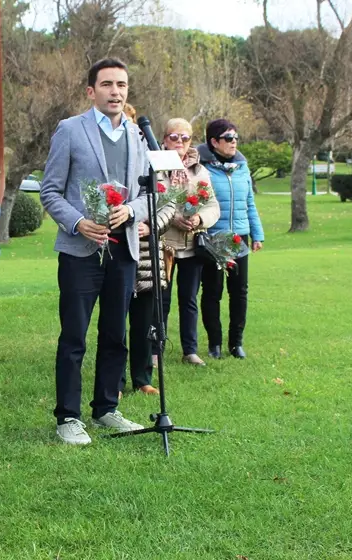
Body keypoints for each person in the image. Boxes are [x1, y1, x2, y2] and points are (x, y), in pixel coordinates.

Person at [39, 58, 150, 445]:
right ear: (91, 91)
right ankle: (67, 418)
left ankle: (106, 409)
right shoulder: (70, 130)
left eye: (121, 85)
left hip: (124, 250)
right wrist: (77, 222)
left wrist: (131, 210)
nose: (115, 91)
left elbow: (147, 196)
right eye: (107, 84)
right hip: (80, 252)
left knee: (116, 334)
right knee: (74, 337)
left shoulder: (138, 136)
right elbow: (49, 191)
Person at [197, 119, 265, 359]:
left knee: (239, 291)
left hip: (240, 237)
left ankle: (236, 344)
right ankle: (214, 344)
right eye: (228, 138)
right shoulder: (202, 168)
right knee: (212, 292)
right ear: (214, 142)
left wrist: (257, 234)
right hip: (214, 237)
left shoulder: (242, 167)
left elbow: (249, 203)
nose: (233, 141)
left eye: (236, 137)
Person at [158, 118, 220, 366]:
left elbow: (213, 206)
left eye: (185, 138)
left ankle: (190, 350)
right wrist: (173, 218)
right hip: (164, 244)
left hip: (192, 246)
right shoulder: (155, 166)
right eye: (174, 137)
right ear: (164, 139)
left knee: (189, 299)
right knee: (161, 300)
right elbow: (148, 201)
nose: (179, 142)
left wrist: (199, 219)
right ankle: (155, 349)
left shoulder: (199, 170)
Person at [122, 183, 174, 395]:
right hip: (120, 247)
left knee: (145, 322)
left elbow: (170, 205)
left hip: (147, 256)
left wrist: (152, 225)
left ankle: (142, 379)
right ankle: (115, 381)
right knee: (115, 324)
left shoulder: (155, 164)